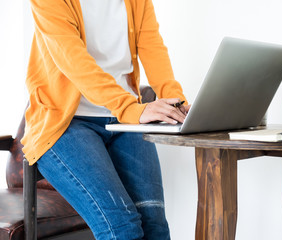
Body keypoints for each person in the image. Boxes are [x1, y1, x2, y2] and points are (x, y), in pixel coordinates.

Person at [21, 0, 190, 239]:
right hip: (65, 124)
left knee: (155, 227)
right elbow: (75, 62)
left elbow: (153, 48)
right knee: (121, 227)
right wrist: (130, 108)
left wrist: (176, 103)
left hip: (125, 122)